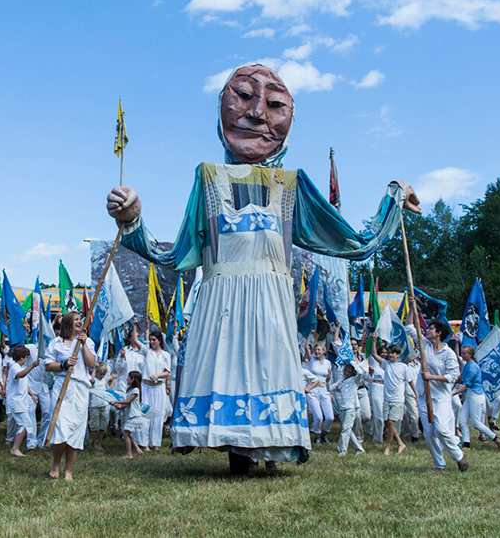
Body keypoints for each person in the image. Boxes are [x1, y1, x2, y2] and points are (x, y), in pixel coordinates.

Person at [106, 63, 419, 474]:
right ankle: (238, 453)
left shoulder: (291, 185)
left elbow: (348, 241)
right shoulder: (208, 178)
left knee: (269, 372)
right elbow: (180, 253)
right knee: (231, 373)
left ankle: (271, 449)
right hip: (222, 300)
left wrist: (393, 203)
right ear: (222, 107)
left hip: (271, 302)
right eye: (242, 96)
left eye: (274, 103)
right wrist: (131, 220)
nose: (257, 113)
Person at [44, 311, 96, 481]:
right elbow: (48, 365)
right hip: (62, 388)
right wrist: (63, 364)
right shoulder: (56, 343)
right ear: (67, 322)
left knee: (76, 428)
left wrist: (83, 344)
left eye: (80, 320)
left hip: (80, 389)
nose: (79, 322)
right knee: (60, 427)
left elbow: (91, 363)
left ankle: (69, 471)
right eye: (75, 320)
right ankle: (56, 464)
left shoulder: (86, 342)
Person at [416, 320, 468, 471]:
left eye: (431, 329)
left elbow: (453, 376)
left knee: (441, 430)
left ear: (439, 333)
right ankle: (439, 464)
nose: (428, 330)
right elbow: (410, 327)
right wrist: (411, 305)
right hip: (424, 396)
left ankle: (459, 456)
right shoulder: (425, 344)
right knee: (429, 433)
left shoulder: (448, 353)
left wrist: (432, 377)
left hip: (441, 397)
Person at [453, 345, 500, 451]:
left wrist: (454, 393)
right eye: (462, 353)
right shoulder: (467, 365)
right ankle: (466, 444)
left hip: (476, 396)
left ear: (470, 355)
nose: (462, 355)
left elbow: (466, 384)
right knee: (462, 421)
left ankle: (497, 439)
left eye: (464, 353)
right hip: (471, 395)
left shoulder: (472, 367)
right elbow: (464, 380)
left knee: (476, 423)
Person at [370, 335, 408, 455]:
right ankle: (400, 443)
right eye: (389, 353)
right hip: (387, 397)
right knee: (387, 422)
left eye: (392, 353)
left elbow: (410, 381)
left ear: (398, 355)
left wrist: (415, 394)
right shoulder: (386, 364)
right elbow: (374, 355)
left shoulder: (403, 367)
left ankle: (388, 447)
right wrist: (374, 341)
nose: (390, 355)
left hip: (397, 399)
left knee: (391, 423)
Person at [139, 329, 171, 451]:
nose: (152, 342)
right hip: (147, 387)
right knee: (146, 414)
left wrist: (158, 375)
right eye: (151, 339)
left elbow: (167, 372)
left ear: (159, 341)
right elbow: (138, 342)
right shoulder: (148, 352)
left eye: (154, 340)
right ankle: (144, 443)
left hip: (159, 388)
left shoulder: (165, 355)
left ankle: (155, 443)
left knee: (157, 415)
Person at [5, 344, 39, 457]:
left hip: (21, 402)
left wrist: (32, 395)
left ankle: (16, 447)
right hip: (16, 402)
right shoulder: (15, 367)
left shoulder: (19, 368)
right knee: (25, 425)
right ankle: (15, 448)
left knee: (25, 425)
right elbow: (21, 375)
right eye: (26, 358)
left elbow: (24, 384)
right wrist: (33, 365)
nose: (26, 360)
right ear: (21, 357)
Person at [330, 363, 366, 456]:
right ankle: (359, 449)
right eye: (345, 371)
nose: (346, 373)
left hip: (351, 408)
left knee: (345, 429)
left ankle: (342, 450)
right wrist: (326, 381)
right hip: (342, 408)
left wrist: (352, 362)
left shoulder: (354, 380)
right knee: (348, 430)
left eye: (349, 371)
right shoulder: (342, 380)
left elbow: (360, 372)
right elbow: (331, 388)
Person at [303, 340, 334, 445]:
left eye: (319, 350)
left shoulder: (327, 363)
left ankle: (324, 434)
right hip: (313, 390)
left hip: (324, 390)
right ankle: (316, 435)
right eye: (315, 350)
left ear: (323, 351)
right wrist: (310, 335)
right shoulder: (311, 360)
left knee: (330, 417)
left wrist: (330, 392)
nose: (317, 351)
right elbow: (307, 346)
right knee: (318, 416)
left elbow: (328, 378)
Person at [111, 370, 145, 460]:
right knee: (128, 434)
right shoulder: (130, 390)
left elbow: (128, 401)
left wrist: (116, 401)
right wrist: (121, 406)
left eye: (128, 378)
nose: (126, 379)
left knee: (125, 434)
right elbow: (127, 404)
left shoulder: (135, 390)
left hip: (134, 415)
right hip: (131, 414)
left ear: (133, 379)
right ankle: (137, 450)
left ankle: (129, 454)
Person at [88, 362, 112, 451]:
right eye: (100, 374)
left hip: (104, 405)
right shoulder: (95, 381)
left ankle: (99, 443)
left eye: (103, 374)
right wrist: (95, 369)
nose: (102, 376)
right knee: (95, 426)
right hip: (95, 405)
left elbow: (108, 389)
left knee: (103, 426)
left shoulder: (103, 381)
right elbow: (91, 380)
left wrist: (113, 379)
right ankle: (94, 442)